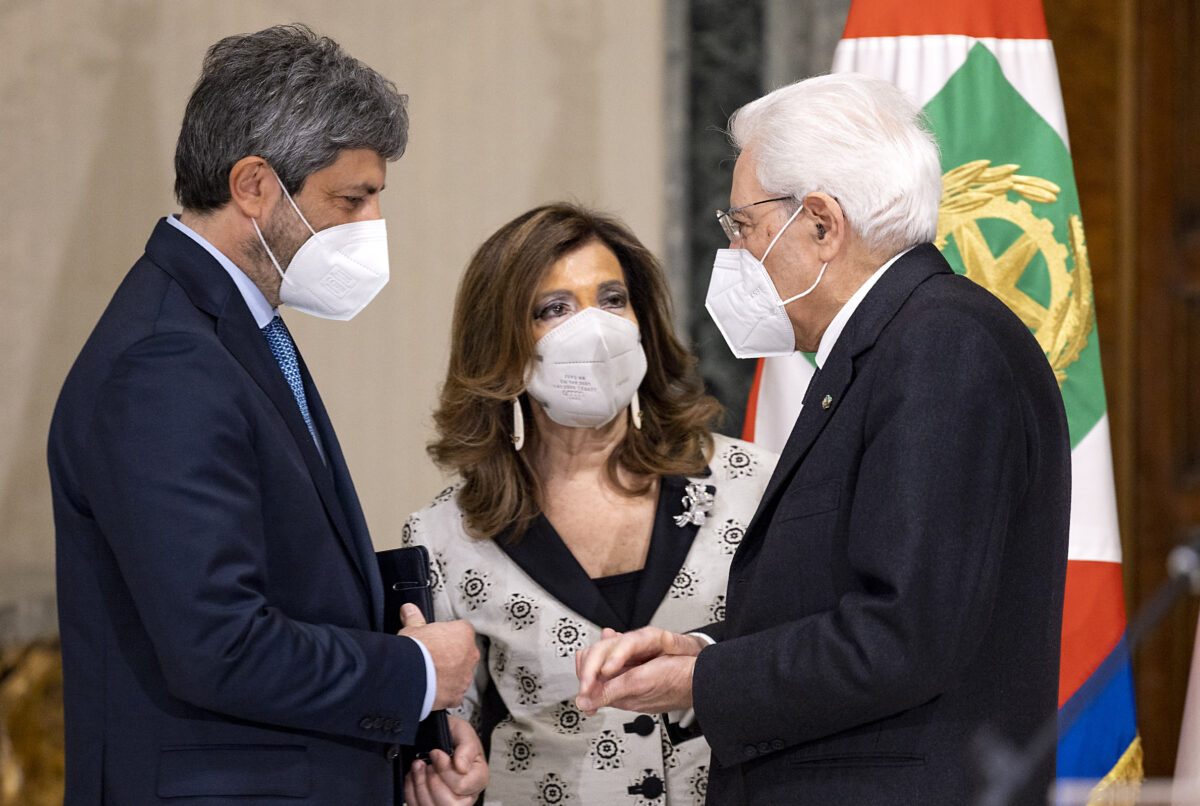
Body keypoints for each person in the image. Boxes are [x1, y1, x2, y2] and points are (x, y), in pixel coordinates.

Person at [576, 73, 1072, 805]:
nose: (736, 251)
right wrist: (702, 649)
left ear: (820, 224)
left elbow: (905, 633)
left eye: (742, 226)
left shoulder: (939, 345)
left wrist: (703, 680)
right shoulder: (897, 342)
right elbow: (835, 596)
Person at [47, 24, 486, 806]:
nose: (371, 224)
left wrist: (413, 736)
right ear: (254, 185)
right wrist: (415, 673)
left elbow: (291, 579)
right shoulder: (165, 362)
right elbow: (218, 644)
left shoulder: (225, 329)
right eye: (352, 198)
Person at [402, 203, 776, 804]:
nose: (595, 328)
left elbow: (809, 654)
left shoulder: (753, 482)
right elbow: (443, 730)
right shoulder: (446, 534)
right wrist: (444, 775)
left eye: (612, 299)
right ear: (501, 344)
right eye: (554, 309)